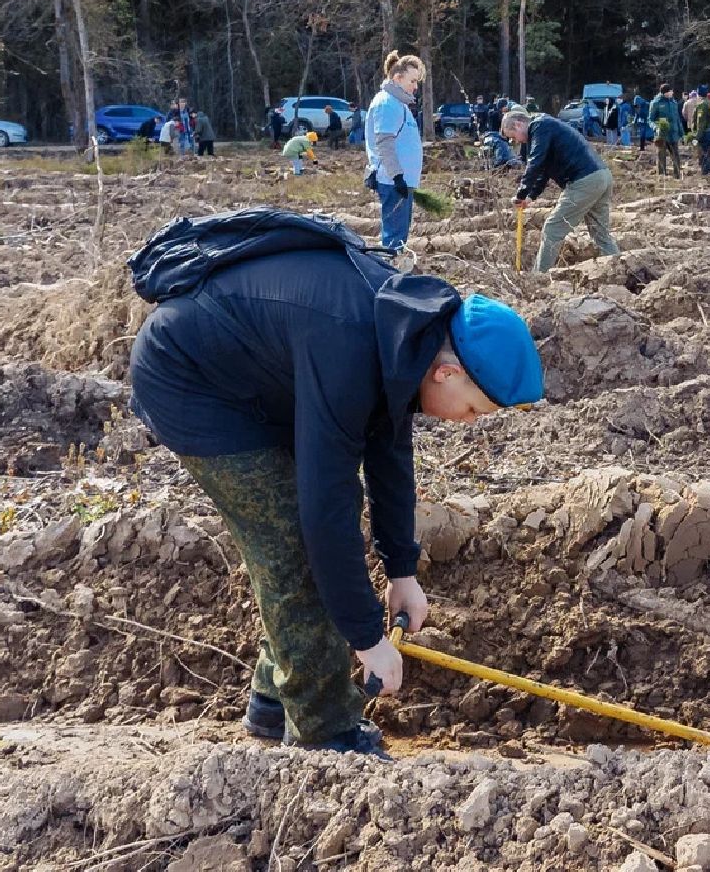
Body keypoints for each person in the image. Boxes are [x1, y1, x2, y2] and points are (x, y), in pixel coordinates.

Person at [128, 210, 544, 758]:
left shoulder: (407, 335)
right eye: (472, 410)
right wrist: (368, 638)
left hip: (259, 380)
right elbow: (322, 514)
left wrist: (401, 570)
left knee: (315, 527)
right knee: (293, 548)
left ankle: (275, 698)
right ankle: (324, 733)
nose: (467, 422)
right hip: (192, 385)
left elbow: (389, 454)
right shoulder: (351, 346)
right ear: (448, 373)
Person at [504, 110, 621, 272]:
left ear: (518, 124)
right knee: (601, 234)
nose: (516, 141)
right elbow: (543, 170)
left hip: (584, 180)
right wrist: (529, 197)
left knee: (553, 228)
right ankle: (620, 270)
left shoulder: (539, 126)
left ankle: (538, 277)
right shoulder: (545, 126)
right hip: (602, 176)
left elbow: (535, 163)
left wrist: (520, 193)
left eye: (513, 137)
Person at [366, 51, 426, 252]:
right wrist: (397, 176)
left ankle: (393, 265)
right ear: (398, 78)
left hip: (400, 181)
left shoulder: (398, 104)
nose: (415, 86)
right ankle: (388, 268)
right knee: (394, 239)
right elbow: (384, 143)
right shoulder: (387, 104)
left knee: (399, 236)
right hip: (393, 181)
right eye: (412, 81)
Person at [649, 84, 683, 178]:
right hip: (661, 135)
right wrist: (656, 128)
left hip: (673, 134)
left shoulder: (674, 103)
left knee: (676, 156)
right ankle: (662, 177)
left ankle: (677, 176)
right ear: (665, 92)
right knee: (661, 157)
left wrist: (681, 133)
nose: (672, 93)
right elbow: (650, 120)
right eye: (670, 91)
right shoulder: (656, 103)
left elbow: (677, 119)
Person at [686, 85, 710, 176]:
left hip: (703, 133)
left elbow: (700, 123)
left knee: (703, 153)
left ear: (699, 94)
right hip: (709, 131)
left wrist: (696, 137)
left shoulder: (702, 105)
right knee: (707, 152)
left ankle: (706, 172)